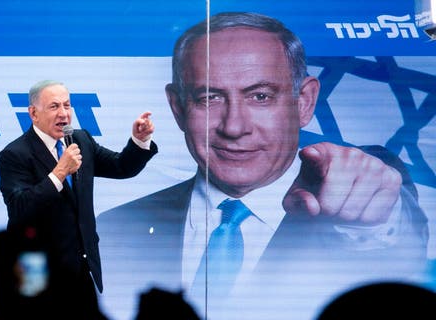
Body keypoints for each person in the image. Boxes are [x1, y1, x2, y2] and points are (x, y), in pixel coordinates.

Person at [96, 12, 429, 320]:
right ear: (178, 107)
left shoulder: (347, 201)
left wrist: (373, 220)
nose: (234, 126)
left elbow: (400, 249)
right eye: (209, 98)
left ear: (305, 102)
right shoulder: (114, 228)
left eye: (260, 97)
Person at [0, 80, 158, 319]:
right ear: (33, 113)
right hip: (38, 273)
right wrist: (59, 173)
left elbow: (121, 167)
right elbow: (20, 209)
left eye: (67, 105)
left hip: (81, 268)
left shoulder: (80, 140)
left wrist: (139, 141)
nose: (63, 113)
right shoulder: (15, 154)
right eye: (54, 106)